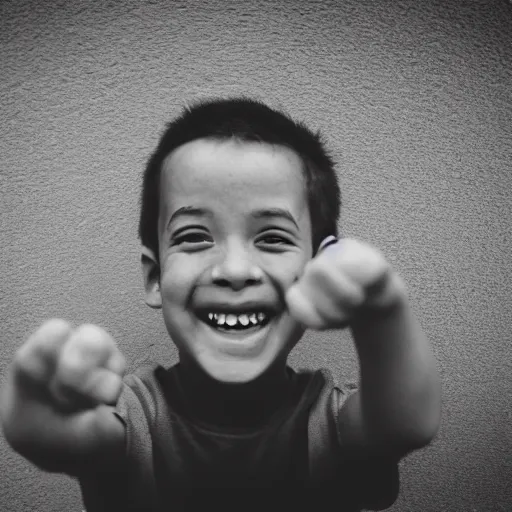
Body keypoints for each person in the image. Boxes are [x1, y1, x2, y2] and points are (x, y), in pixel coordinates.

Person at [0, 97, 441, 511]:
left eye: (271, 238)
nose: (233, 269)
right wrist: (45, 426)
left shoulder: (328, 420)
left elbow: (406, 425)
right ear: (155, 278)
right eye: (194, 237)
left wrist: (380, 308)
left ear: (319, 269)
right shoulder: (134, 415)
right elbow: (82, 438)